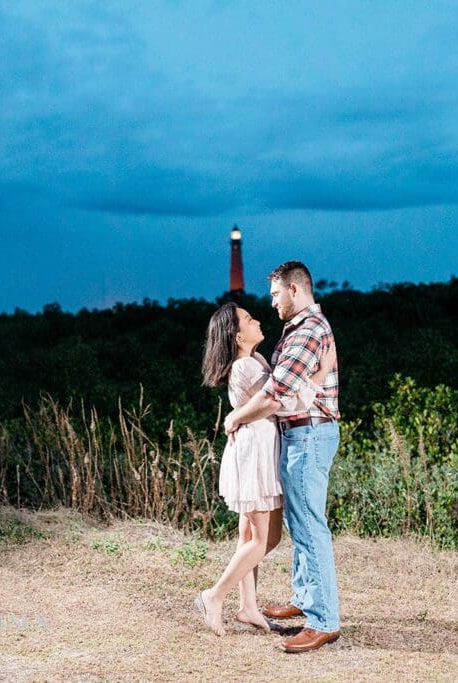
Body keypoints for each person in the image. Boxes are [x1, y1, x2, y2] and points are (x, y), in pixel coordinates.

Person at [223, 261, 342, 654]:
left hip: (308, 435)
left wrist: (236, 416)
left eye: (275, 294)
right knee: (299, 522)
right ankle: (306, 598)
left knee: (309, 526)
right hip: (300, 434)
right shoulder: (300, 329)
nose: (271, 303)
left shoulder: (307, 330)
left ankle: (322, 619)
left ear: (294, 289)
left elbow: (275, 395)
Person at [195, 302, 333, 636]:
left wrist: (237, 416)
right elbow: (279, 402)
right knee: (262, 538)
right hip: (255, 453)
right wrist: (319, 374)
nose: (256, 319)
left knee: (252, 536)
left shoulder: (254, 360)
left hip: (259, 448)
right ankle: (213, 596)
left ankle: (249, 607)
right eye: (247, 319)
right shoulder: (245, 367)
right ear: (236, 334)